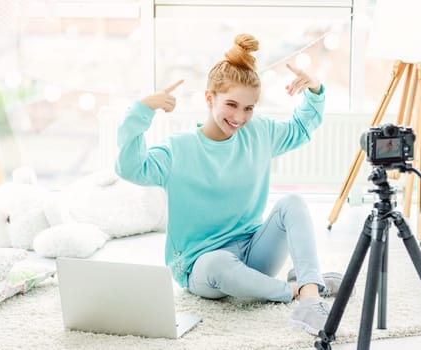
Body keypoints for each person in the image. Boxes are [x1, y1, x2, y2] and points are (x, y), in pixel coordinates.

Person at [115, 33, 343, 335]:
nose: (239, 117)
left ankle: (311, 298)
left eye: (248, 108)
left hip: (254, 254)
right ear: (210, 99)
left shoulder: (259, 132)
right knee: (217, 263)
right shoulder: (178, 150)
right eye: (231, 105)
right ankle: (296, 287)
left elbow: (301, 129)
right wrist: (141, 111)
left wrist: (314, 91)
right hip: (201, 267)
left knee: (293, 203)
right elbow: (131, 167)